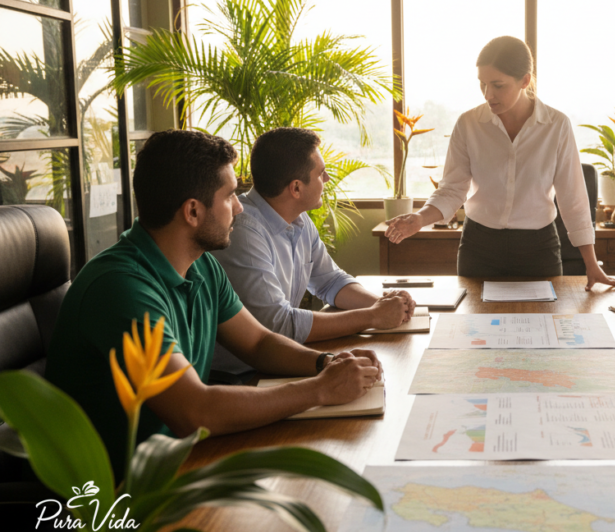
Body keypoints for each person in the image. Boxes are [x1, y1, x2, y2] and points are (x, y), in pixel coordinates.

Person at [46, 130, 382, 470]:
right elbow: (194, 411)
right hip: (115, 493)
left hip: (180, 457)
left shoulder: (201, 265)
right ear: (193, 211)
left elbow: (259, 342)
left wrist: (325, 363)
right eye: (230, 196)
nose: (239, 208)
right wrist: (319, 390)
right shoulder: (120, 288)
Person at [383, 36, 615, 290]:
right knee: (474, 327)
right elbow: (453, 189)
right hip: (479, 247)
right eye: (483, 84)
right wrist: (420, 219)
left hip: (539, 250)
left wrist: (592, 264)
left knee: (542, 326)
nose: (488, 94)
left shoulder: (557, 126)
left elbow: (573, 199)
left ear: (525, 80)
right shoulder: (469, 124)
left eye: (498, 85)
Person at [210, 127, 413, 376]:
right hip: (243, 376)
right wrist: (372, 317)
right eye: (321, 173)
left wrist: (386, 306)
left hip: (282, 362)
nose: (327, 179)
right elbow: (278, 324)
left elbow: (330, 281)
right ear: (296, 188)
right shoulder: (244, 231)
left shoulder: (300, 220)